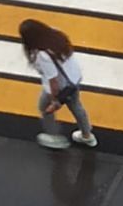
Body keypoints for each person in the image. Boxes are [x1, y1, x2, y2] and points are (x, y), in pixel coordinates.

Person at [19, 18, 97, 150]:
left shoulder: (42, 55)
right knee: (77, 106)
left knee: (44, 107)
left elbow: (53, 80)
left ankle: (54, 137)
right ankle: (87, 135)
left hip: (61, 87)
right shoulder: (56, 33)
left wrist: (55, 101)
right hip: (73, 79)